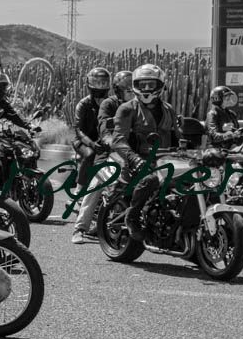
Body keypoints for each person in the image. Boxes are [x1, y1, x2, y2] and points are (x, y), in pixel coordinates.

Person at [112, 63, 179, 241]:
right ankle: (131, 217)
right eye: (143, 85)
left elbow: (177, 136)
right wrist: (134, 158)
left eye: (151, 84)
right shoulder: (127, 109)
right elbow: (118, 140)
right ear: (136, 86)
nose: (147, 89)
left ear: (161, 85)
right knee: (150, 180)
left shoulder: (169, 109)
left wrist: (191, 152)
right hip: (137, 161)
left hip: (165, 161)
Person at [69, 66, 111, 244]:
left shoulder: (111, 103)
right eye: (97, 82)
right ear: (89, 84)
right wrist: (92, 143)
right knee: (90, 155)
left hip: (105, 141)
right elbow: (78, 130)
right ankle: (79, 189)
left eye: (103, 82)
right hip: (84, 141)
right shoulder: (84, 104)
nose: (100, 85)